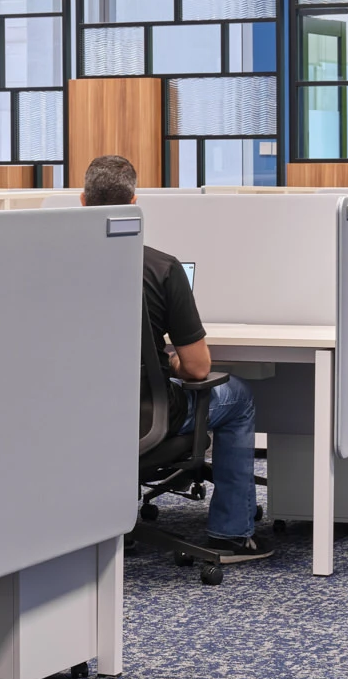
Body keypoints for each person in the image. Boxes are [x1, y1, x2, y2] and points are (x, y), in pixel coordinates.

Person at [80, 155, 272, 562]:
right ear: (134, 202)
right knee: (238, 396)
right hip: (148, 417)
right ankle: (231, 532)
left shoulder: (51, 267)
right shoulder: (161, 268)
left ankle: (108, 526)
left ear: (82, 201)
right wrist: (173, 365)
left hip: (77, 414)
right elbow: (199, 368)